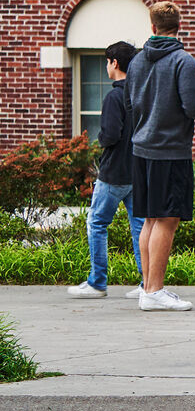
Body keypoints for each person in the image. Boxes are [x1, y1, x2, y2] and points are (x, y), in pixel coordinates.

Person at [126, 2, 195, 311]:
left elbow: (132, 101)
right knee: (168, 219)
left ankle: (147, 289)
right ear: (179, 26)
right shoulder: (183, 61)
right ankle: (154, 291)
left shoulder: (136, 62)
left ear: (152, 27)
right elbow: (192, 107)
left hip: (142, 149)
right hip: (170, 151)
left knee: (151, 217)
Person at [67, 41, 144, 300]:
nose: (106, 66)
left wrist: (100, 139)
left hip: (113, 174)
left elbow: (109, 135)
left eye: (107, 61)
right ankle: (148, 283)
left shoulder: (114, 96)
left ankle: (97, 282)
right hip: (138, 170)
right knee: (140, 228)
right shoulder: (141, 93)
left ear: (115, 63)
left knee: (97, 223)